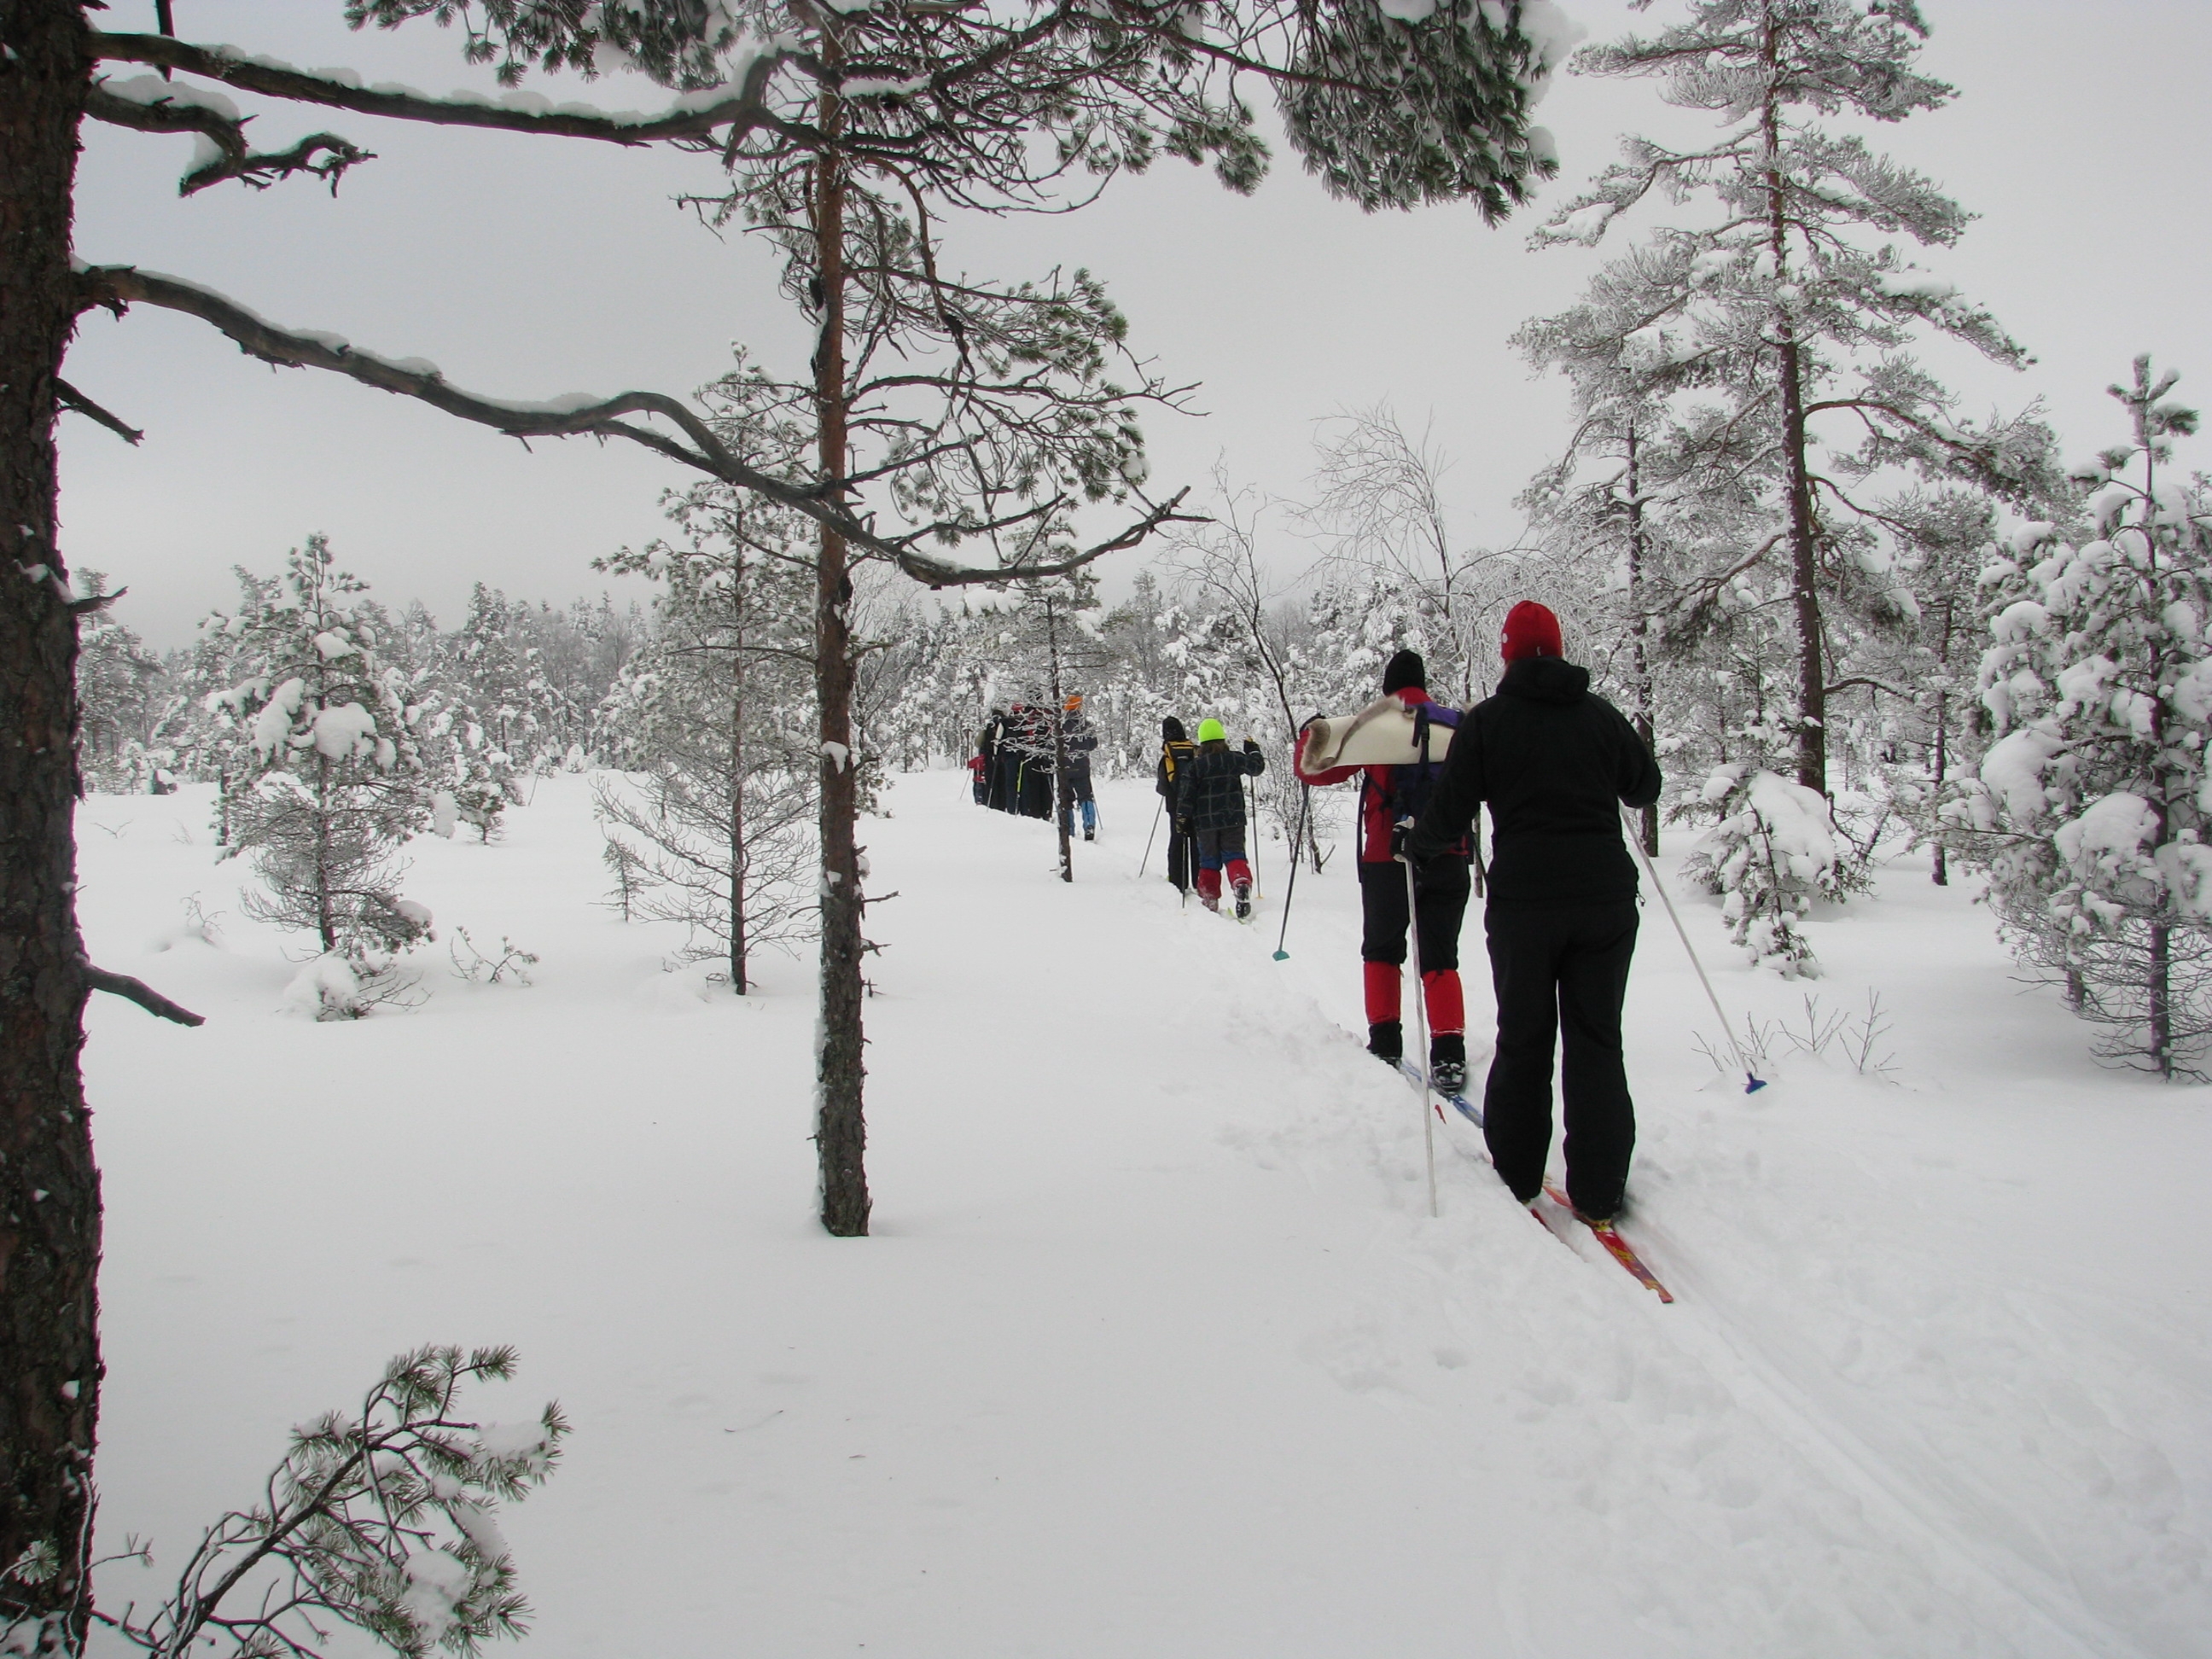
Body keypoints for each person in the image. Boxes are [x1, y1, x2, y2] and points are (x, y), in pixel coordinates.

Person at [1409, 601, 1662, 1224]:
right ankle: (1599, 1189)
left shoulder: (1489, 724)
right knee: (1597, 1038)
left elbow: (1451, 811)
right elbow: (1645, 787)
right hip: (1605, 903)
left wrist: (1414, 842)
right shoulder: (1600, 716)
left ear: (1508, 654)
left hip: (1527, 907)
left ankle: (1519, 1174)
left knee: (1525, 1038)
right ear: (1560, 647)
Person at [1294, 649, 1473, 1091]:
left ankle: (1386, 1042)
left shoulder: (1372, 728)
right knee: (1441, 954)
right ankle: (1449, 1053)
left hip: (1385, 858)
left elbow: (1313, 771)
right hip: (1448, 854)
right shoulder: (1456, 725)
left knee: (1382, 949)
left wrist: (1308, 734)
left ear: (1387, 688)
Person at [1175, 718, 1265, 917]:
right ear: (1222, 739)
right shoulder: (1233, 759)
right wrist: (1253, 750)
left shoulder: (1196, 766)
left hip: (1205, 822)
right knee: (1235, 855)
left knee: (1208, 861)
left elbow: (1186, 795)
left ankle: (1210, 898)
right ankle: (1241, 883)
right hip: (1233, 818)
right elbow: (1256, 768)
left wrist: (1182, 818)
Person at [1155, 717, 1197, 894]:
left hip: (1175, 805)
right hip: (1196, 803)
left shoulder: (1168, 755)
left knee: (1177, 839)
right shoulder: (1194, 751)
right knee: (1196, 841)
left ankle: (1178, 881)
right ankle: (1199, 880)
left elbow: (1163, 787)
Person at [1061, 693, 1099, 841]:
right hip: (1082, 767)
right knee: (1086, 797)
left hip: (1065, 769)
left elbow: (1051, 746)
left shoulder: (1060, 726)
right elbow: (1093, 744)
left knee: (1066, 799)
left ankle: (1068, 828)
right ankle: (1089, 825)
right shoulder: (1086, 725)